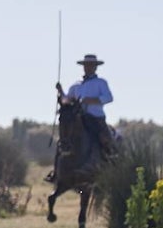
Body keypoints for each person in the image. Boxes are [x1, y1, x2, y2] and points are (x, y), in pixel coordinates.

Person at [45, 54, 115, 183]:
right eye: (86, 65)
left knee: (106, 139)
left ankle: (111, 164)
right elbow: (67, 99)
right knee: (63, 141)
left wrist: (93, 100)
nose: (88, 68)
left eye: (91, 65)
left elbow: (109, 98)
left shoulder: (101, 83)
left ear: (95, 67)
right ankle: (56, 172)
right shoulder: (76, 85)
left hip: (96, 118)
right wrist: (60, 91)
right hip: (78, 118)